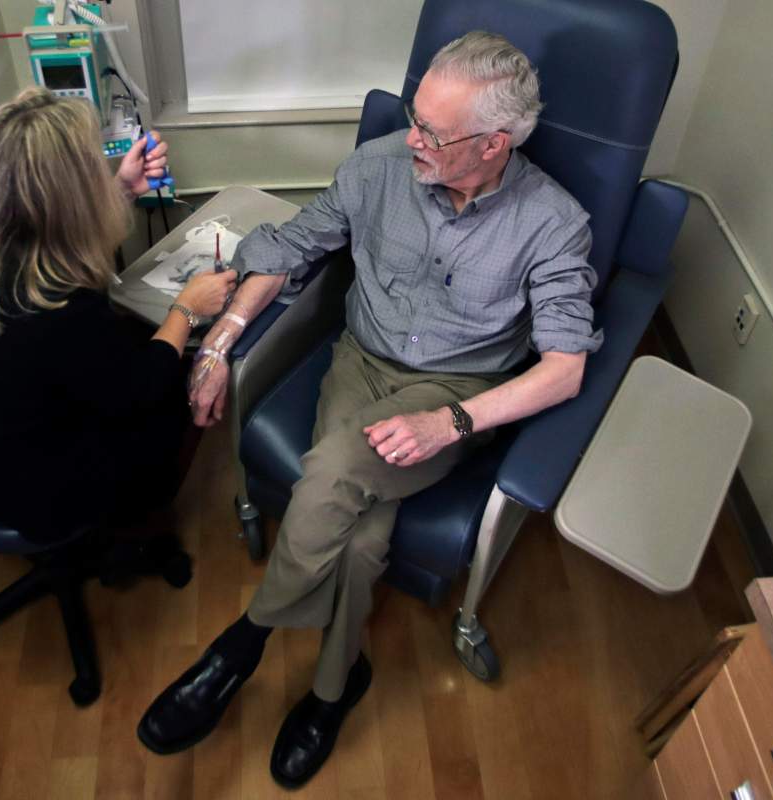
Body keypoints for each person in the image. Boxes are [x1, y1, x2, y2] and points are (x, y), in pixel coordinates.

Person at [138, 32, 603, 787]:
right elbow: (289, 245)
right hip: (361, 361)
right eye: (414, 116)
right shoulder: (381, 165)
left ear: (494, 145)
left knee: (328, 479)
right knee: (358, 542)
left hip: (454, 392)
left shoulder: (553, 224)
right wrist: (220, 343)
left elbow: (563, 371)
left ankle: (241, 645)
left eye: (432, 131)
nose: (410, 137)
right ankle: (333, 688)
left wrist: (450, 424)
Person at [0, 87, 238, 556]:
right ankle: (137, 522)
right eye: (90, 169)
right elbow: (137, 389)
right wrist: (187, 306)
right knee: (181, 383)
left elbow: (45, 228)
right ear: (70, 194)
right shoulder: (53, 309)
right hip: (29, 493)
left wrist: (119, 188)